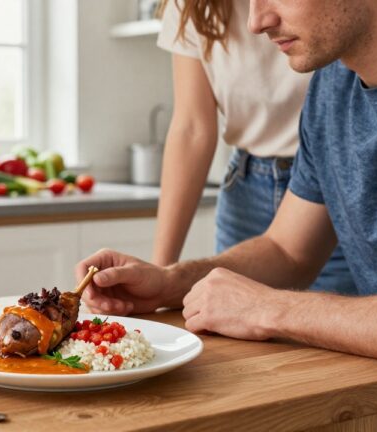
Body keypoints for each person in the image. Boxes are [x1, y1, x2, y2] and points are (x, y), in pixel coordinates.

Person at [78, 0, 377, 426]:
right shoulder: (332, 86)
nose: (257, 21)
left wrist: (268, 309)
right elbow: (288, 250)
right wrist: (169, 282)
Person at [152, 0, 356, 294]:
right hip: (248, 187)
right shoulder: (192, 6)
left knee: (339, 329)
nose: (257, 23)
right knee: (229, 331)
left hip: (334, 184)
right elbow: (192, 128)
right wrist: (160, 274)